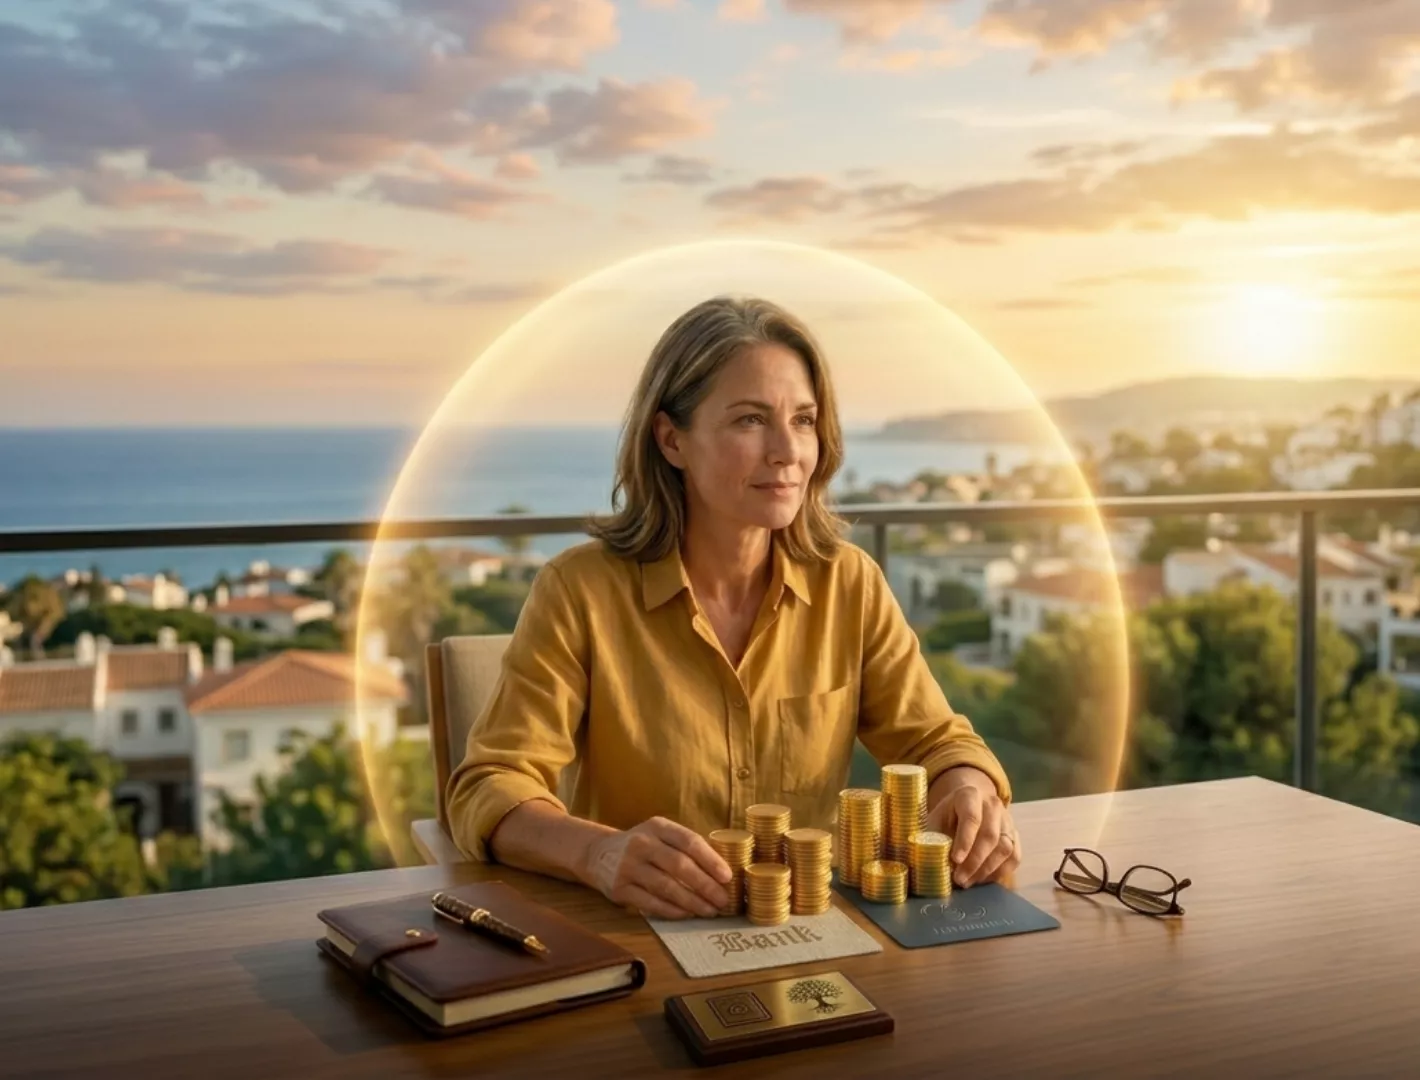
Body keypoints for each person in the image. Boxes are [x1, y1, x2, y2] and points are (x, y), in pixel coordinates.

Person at [446, 295, 1021, 920]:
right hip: (641, 941)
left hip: (810, 936)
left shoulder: (849, 585)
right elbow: (490, 783)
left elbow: (936, 740)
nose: (788, 452)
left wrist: (967, 787)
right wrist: (601, 854)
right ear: (671, 440)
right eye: (750, 420)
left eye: (803, 420)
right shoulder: (579, 592)